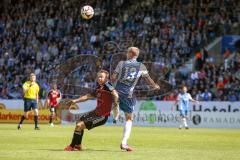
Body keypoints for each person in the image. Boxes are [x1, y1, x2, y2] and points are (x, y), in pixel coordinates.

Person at [111, 47, 160, 151]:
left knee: (115, 100)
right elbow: (148, 79)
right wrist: (155, 86)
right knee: (129, 118)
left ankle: (116, 110)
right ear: (136, 55)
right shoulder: (141, 66)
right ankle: (124, 143)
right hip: (128, 94)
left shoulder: (121, 63)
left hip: (117, 90)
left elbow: (113, 78)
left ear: (129, 53)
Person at [64, 70, 119, 151]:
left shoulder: (107, 85)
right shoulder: (98, 88)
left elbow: (115, 93)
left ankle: (72, 146)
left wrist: (115, 102)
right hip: (95, 112)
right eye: (98, 77)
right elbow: (87, 96)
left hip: (102, 116)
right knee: (78, 122)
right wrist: (75, 101)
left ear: (106, 78)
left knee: (79, 126)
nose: (99, 78)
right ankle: (78, 145)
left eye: (101, 77)